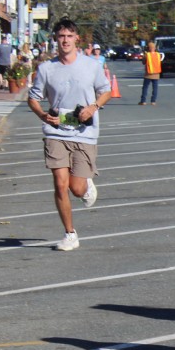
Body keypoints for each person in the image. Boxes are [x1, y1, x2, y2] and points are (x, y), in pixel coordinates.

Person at [27, 18, 112, 251]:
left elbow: (106, 91)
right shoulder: (46, 69)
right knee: (59, 184)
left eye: (69, 36)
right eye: (61, 36)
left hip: (84, 132)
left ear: (76, 39)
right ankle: (70, 234)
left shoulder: (91, 65)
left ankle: (86, 185)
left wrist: (93, 107)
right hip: (56, 132)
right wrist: (43, 115)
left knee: (76, 188)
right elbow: (33, 98)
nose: (65, 40)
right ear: (55, 39)